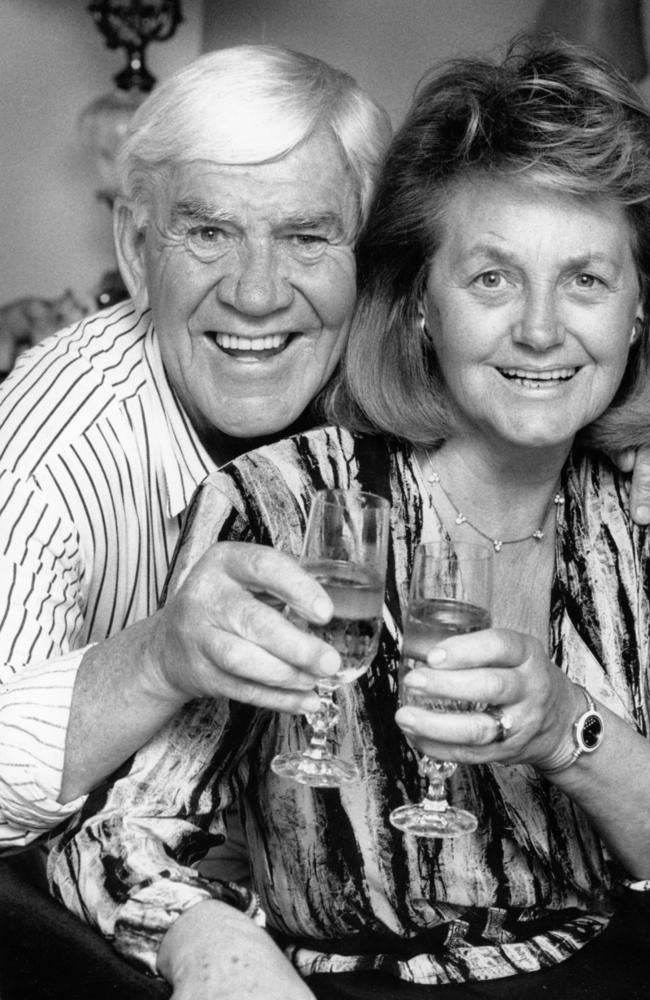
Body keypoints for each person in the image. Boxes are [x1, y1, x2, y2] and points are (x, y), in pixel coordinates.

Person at [47, 36, 650, 1000]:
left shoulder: (635, 516)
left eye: (586, 279)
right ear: (420, 305)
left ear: (636, 311)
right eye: (492, 278)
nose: (541, 328)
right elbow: (120, 838)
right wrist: (220, 953)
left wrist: (569, 727)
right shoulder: (284, 509)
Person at [0, 44, 392, 849]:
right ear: (138, 248)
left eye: (307, 238)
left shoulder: (379, 381)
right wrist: (157, 658)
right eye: (209, 232)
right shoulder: (47, 449)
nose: (256, 293)